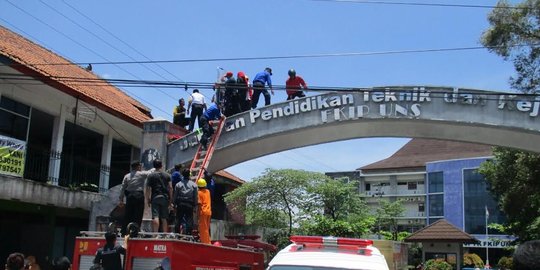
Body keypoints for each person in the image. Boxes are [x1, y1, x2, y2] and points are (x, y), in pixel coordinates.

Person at [118, 161, 150, 236]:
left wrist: (121, 199)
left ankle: (124, 232)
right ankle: (135, 232)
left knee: (128, 214)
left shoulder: (127, 176)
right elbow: (150, 173)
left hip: (129, 196)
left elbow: (122, 188)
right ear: (138, 167)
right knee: (138, 214)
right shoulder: (141, 174)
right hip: (138, 195)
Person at [145, 159, 173, 232]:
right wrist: (171, 199)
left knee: (155, 216)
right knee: (164, 218)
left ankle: (155, 234)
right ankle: (164, 235)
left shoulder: (150, 176)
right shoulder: (167, 175)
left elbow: (148, 188)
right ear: (161, 165)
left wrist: (147, 198)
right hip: (164, 197)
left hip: (155, 197)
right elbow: (170, 187)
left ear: (154, 166)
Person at [173, 168, 198, 234]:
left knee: (178, 219)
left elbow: (175, 195)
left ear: (183, 175)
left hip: (180, 204)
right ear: (189, 175)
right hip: (189, 204)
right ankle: (188, 234)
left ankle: (177, 234)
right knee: (189, 220)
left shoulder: (178, 184)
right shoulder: (194, 185)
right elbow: (195, 196)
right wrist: (195, 205)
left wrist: (174, 204)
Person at [197, 178, 212, 244]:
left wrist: (198, 214)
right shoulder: (208, 191)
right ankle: (208, 241)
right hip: (209, 212)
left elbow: (199, 204)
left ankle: (205, 243)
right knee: (206, 228)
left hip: (203, 212)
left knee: (203, 229)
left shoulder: (199, 193)